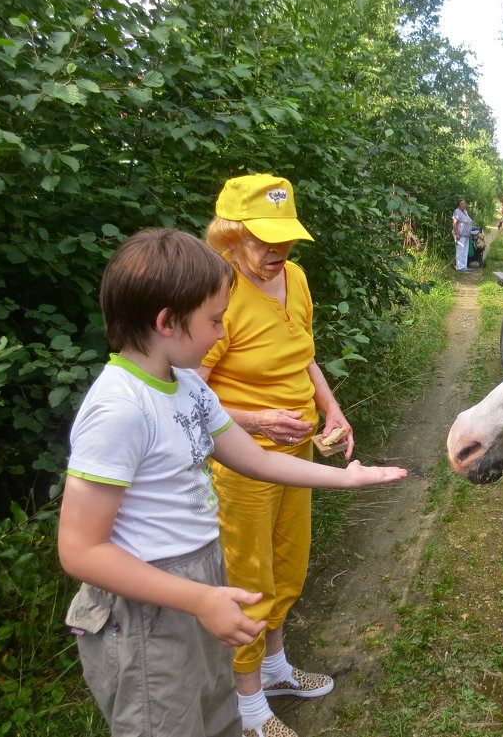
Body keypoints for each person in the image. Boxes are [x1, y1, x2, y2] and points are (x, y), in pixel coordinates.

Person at [58, 227, 406, 737]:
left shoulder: (189, 386)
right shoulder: (120, 409)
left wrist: (344, 480)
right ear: (168, 323)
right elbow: (80, 550)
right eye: (216, 320)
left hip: (203, 579)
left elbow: (257, 460)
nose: (224, 333)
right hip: (144, 613)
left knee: (217, 717)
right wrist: (199, 599)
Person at [198, 174, 355, 737]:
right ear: (229, 235)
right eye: (265, 240)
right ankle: (249, 709)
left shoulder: (295, 276)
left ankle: (276, 669)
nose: (278, 250)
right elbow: (188, 389)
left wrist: (331, 409)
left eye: (285, 237)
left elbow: (304, 357)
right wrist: (257, 419)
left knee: (288, 567)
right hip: (242, 463)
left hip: (297, 456)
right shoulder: (215, 293)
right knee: (251, 579)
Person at [452, 198, 473, 271]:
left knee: (465, 250)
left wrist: (469, 233)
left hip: (466, 235)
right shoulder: (457, 211)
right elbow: (455, 223)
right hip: (460, 235)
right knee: (460, 250)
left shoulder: (465, 211)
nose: (463, 205)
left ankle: (464, 266)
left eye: (464, 203)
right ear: (459, 205)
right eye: (461, 204)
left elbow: (468, 222)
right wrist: (457, 234)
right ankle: (459, 266)